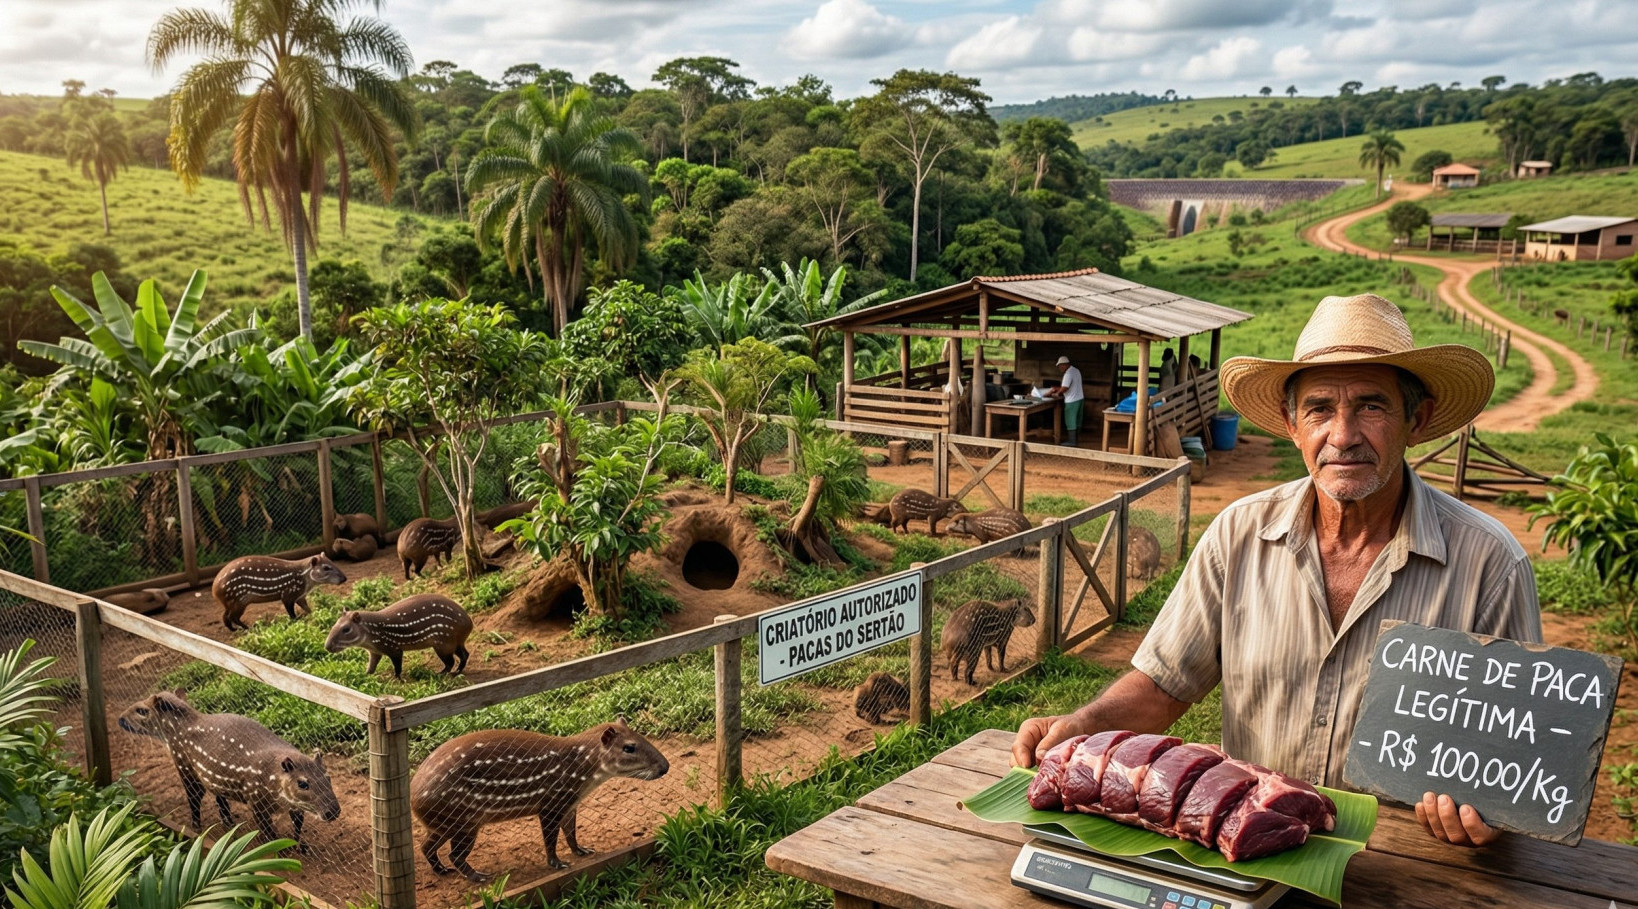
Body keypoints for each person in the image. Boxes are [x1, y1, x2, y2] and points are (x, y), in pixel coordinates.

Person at [1012, 293, 1541, 848]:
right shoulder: (1239, 534)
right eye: (1318, 409)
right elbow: (1164, 685)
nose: (1342, 435)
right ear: (1291, 424)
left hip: (1410, 867)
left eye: (1371, 406)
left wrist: (1490, 813)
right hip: (1251, 852)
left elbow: (1515, 761)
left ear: (1418, 418)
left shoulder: (1489, 564)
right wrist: (1082, 728)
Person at [1045, 355, 1084, 445]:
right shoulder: (1076, 370)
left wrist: (1057, 393)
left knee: (1070, 420)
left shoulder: (1068, 374)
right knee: (1077, 420)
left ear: (1065, 365)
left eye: (1060, 366)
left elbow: (1065, 388)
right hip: (1080, 398)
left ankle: (1072, 441)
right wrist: (1057, 388)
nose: (1059, 368)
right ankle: (1075, 439)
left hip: (1072, 400)